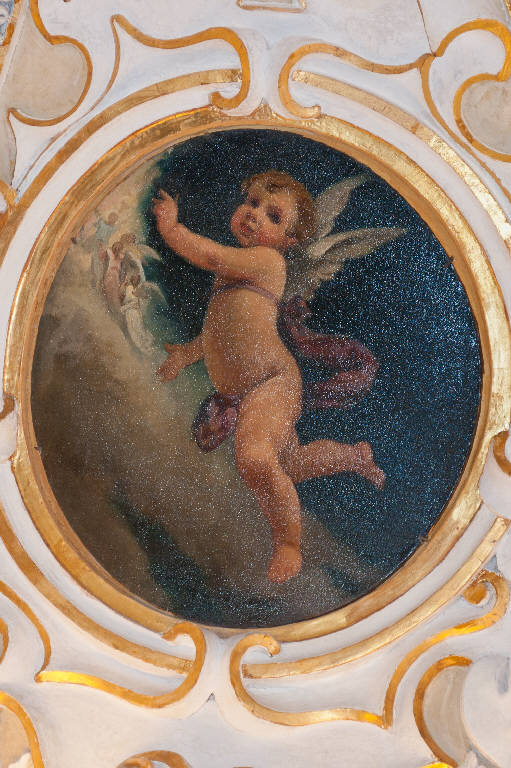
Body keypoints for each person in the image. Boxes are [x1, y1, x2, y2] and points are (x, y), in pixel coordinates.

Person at [153, 171, 384, 584]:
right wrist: (186, 355)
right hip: (255, 390)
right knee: (288, 464)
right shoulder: (235, 276)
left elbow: (211, 256)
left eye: (272, 216)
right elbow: (222, 331)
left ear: (288, 242)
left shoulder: (266, 261)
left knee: (255, 458)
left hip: (272, 383)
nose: (254, 214)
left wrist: (172, 229)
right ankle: (352, 457)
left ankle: (288, 541)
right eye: (252, 202)